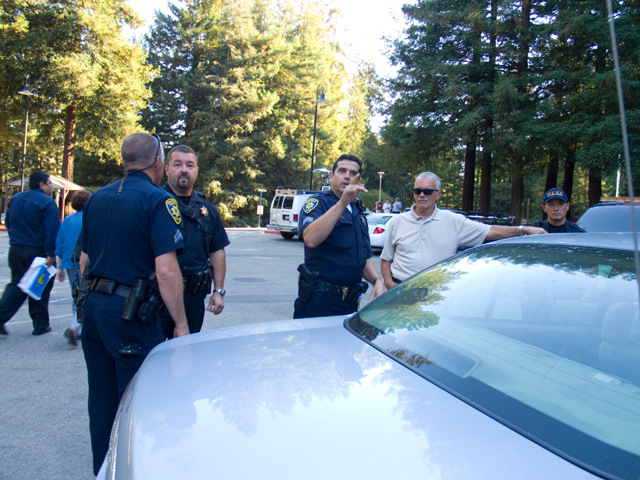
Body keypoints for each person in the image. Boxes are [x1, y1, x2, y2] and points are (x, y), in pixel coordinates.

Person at [79, 132, 190, 475]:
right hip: (130, 314)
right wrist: (182, 324)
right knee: (138, 401)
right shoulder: (159, 201)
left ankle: (104, 469)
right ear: (158, 161)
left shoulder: (98, 197)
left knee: (101, 400)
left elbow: (83, 260)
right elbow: (167, 271)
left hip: (95, 310)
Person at [381, 172, 547, 289]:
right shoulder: (398, 221)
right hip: (399, 290)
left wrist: (522, 230)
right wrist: (389, 284)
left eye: (428, 191)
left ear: (438, 195)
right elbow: (386, 259)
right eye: (418, 191)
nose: (422, 195)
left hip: (435, 293)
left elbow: (489, 231)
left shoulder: (453, 221)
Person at [293, 154, 385, 319]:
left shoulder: (357, 211)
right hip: (320, 301)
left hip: (350, 301)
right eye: (342, 171)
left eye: (353, 173)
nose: (347, 176)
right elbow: (311, 239)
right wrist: (342, 203)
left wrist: (377, 280)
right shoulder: (318, 203)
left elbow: (362, 257)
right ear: (331, 176)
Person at [160, 145, 230, 339]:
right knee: (153, 355)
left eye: (190, 165)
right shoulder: (154, 203)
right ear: (167, 169)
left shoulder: (207, 209)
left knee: (185, 355)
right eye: (177, 164)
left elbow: (217, 251)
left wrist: (218, 291)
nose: (184, 169)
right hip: (157, 296)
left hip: (192, 296)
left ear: (197, 171)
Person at [0, 171, 60, 337]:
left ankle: (3, 315)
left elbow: (9, 222)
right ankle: (40, 324)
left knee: (17, 283)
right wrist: (51, 253)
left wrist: (16, 239)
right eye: (49, 183)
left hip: (17, 248)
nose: (51, 186)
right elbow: (51, 229)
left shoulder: (16, 198)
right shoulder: (47, 202)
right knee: (40, 286)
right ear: (42, 184)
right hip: (38, 250)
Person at [55, 190, 91, 346]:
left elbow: (60, 243)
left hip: (69, 262)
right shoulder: (90, 219)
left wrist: (60, 268)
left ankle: (77, 324)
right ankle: (76, 326)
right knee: (87, 294)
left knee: (76, 293)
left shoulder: (68, 220)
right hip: (86, 261)